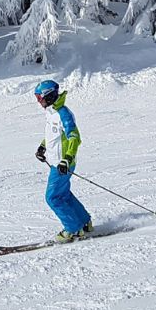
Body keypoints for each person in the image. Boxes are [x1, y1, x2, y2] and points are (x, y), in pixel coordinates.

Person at [33, 79, 92, 242]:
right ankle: (85, 222)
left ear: (49, 96)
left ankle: (73, 229)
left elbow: (74, 137)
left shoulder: (63, 114)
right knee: (63, 194)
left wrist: (66, 159)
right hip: (55, 162)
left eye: (40, 98)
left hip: (62, 163)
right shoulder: (51, 112)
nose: (39, 102)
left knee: (52, 197)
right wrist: (42, 146)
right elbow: (54, 134)